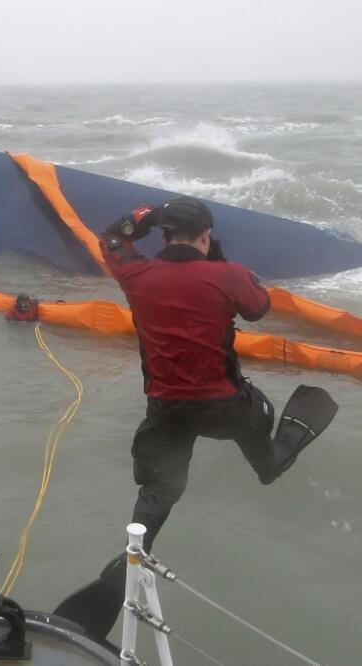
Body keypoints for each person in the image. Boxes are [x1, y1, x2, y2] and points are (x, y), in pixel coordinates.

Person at [52, 196, 338, 637]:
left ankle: (133, 551)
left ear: (163, 236)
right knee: (260, 431)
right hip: (227, 409)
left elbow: (110, 238)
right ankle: (269, 465)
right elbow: (257, 308)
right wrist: (219, 262)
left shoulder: (136, 273)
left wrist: (141, 216)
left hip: (167, 410)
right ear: (206, 236)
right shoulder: (229, 276)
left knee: (160, 488)